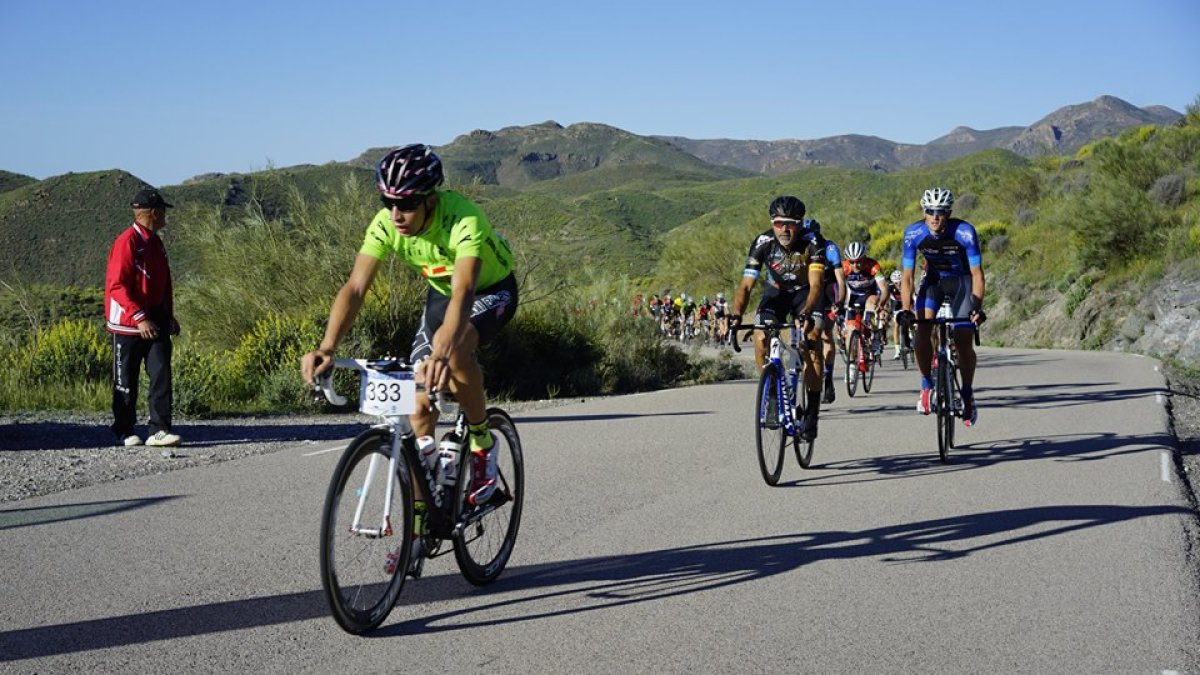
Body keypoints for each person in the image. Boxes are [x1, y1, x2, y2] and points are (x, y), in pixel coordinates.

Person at [301, 144, 518, 506]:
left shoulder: (463, 219)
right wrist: (327, 347)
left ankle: (482, 447)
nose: (396, 214)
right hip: (441, 295)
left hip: (488, 290)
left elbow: (464, 291)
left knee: (458, 350)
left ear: (430, 200)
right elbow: (355, 288)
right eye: (388, 203)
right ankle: (419, 528)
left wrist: (442, 354)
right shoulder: (386, 224)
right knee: (416, 410)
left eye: (406, 205)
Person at [730, 196, 828, 440]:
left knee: (813, 337)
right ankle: (771, 389)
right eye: (779, 223)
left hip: (806, 293)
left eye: (791, 223)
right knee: (761, 333)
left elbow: (817, 286)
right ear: (772, 223)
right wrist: (735, 315)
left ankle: (812, 413)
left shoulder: (813, 241)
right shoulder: (763, 242)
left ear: (801, 223)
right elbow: (745, 286)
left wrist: (807, 312)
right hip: (776, 293)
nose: (784, 228)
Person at [896, 187, 987, 426]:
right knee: (922, 330)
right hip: (934, 282)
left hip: (961, 281)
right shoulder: (913, 233)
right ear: (924, 212)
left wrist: (976, 306)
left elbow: (977, 274)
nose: (935, 216)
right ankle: (926, 384)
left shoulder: (965, 232)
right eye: (930, 211)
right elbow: (907, 276)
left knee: (963, 337)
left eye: (941, 211)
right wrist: (906, 309)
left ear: (948, 212)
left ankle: (967, 394)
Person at [105, 187, 182, 448]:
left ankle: (159, 430)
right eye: (162, 212)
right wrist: (139, 317)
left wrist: (168, 315)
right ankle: (124, 429)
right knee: (125, 379)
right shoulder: (126, 242)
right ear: (152, 213)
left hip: (156, 318)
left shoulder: (156, 243)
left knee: (161, 373)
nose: (165, 218)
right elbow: (117, 285)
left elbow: (164, 283)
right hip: (128, 323)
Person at [840, 241, 888, 356]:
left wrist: (881, 304)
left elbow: (884, 289)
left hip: (870, 294)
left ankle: (876, 336)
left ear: (864, 258)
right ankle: (852, 366)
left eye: (859, 261)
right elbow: (837, 287)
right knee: (850, 332)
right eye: (852, 262)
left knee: (872, 305)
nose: (855, 265)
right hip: (853, 296)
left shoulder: (873, 266)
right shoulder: (843, 267)